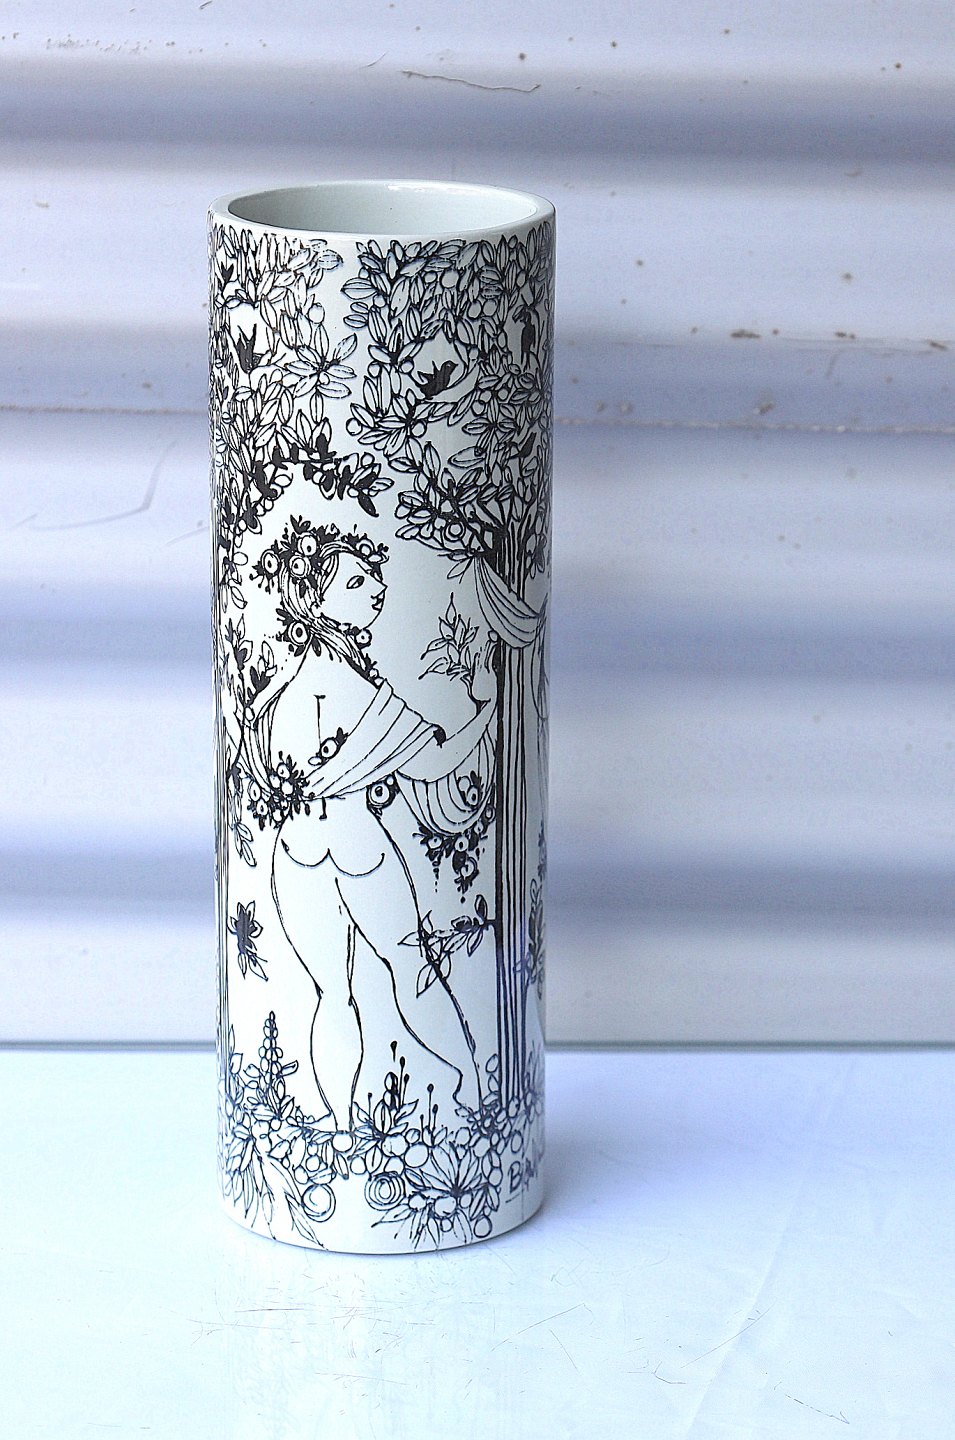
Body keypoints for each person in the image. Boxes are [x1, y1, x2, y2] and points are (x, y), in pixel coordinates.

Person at [248, 520, 493, 1132]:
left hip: (296, 851)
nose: (378, 590)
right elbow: (433, 761)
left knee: (335, 993)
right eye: (357, 583)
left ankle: (339, 1127)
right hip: (356, 846)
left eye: (375, 580)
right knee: (409, 967)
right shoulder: (363, 694)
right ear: (315, 600)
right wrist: (485, 711)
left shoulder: (277, 699)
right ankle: (471, 1092)